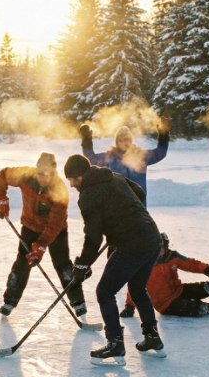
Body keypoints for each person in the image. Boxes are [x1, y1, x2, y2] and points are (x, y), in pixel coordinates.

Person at [63, 154, 164, 365]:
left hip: (132, 243)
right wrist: (120, 217)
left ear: (80, 176)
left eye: (72, 179)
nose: (71, 184)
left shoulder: (88, 195)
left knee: (105, 291)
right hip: (153, 238)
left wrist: (82, 264)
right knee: (137, 289)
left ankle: (115, 342)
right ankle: (152, 337)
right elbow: (139, 192)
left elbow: (93, 237)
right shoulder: (114, 177)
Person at [0, 153, 88, 318]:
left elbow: (55, 223)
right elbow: (3, 175)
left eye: (47, 175)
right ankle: (10, 301)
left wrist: (42, 245)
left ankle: (78, 302)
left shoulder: (60, 191)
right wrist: (0, 197)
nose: (43, 178)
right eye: (40, 174)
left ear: (53, 173)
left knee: (63, 265)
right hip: (29, 227)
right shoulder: (25, 175)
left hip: (56, 231)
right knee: (22, 264)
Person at [121, 232, 209, 318]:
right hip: (165, 304)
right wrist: (129, 306)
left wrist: (208, 269)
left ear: (166, 247)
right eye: (154, 249)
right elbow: (134, 288)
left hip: (179, 290)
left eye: (160, 248)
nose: (158, 252)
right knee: (195, 308)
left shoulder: (173, 256)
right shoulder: (144, 265)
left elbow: (190, 264)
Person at [79, 121, 169, 203]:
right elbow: (91, 158)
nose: (123, 142)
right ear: (117, 142)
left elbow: (159, 153)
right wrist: (87, 142)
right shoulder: (109, 157)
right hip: (117, 205)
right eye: (120, 140)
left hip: (138, 204)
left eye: (126, 139)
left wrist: (163, 137)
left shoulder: (141, 156)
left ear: (130, 140)